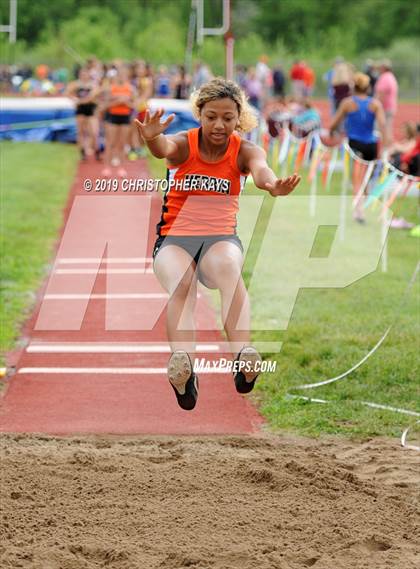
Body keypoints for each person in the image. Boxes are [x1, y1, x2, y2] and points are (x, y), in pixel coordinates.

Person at [135, 78, 301, 411]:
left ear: (239, 118)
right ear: (200, 115)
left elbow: (261, 171)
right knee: (181, 284)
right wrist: (152, 137)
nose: (219, 124)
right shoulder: (185, 144)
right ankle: (184, 369)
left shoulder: (246, 150)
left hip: (219, 239)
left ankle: (243, 358)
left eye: (227, 117)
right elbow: (162, 148)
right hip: (174, 240)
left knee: (228, 269)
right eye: (211, 116)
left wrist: (272, 186)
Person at [329, 72, 387, 223]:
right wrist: (384, 146)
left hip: (355, 144)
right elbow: (382, 125)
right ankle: (368, 207)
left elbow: (335, 122)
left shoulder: (348, 103)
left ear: (354, 87)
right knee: (367, 179)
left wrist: (331, 132)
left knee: (357, 179)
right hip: (371, 145)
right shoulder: (375, 104)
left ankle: (359, 212)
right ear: (368, 88)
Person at [66, 67, 100, 161]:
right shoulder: (75, 84)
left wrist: (80, 101)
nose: (84, 76)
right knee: (81, 131)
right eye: (82, 74)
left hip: (90, 109)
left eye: (85, 74)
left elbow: (92, 95)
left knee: (94, 132)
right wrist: (75, 100)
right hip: (80, 109)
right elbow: (67, 93)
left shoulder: (93, 84)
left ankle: (96, 149)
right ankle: (82, 152)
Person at [375, 59, 398, 144]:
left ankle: (385, 147)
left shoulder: (384, 77)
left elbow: (381, 93)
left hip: (385, 107)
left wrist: (377, 105)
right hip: (390, 106)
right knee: (388, 128)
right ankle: (388, 147)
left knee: (381, 129)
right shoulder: (391, 76)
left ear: (384, 68)